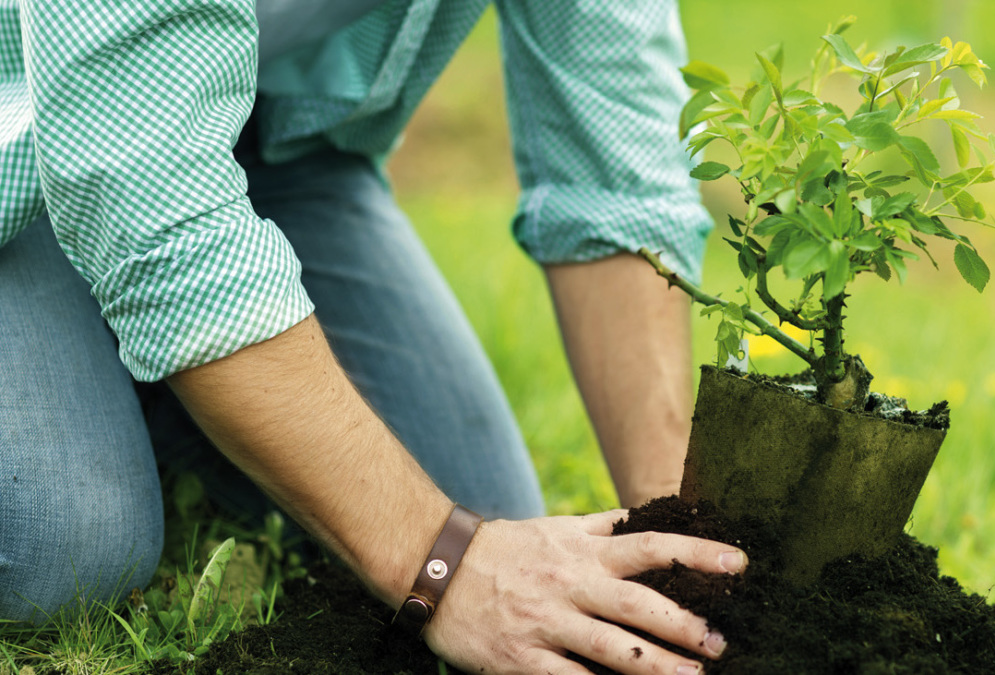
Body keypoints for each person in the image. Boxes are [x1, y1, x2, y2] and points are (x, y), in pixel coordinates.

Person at [0, 1, 747, 673]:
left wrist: (676, 549)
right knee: (64, 546)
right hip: (31, 122)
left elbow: (613, 156)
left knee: (484, 511)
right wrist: (445, 567)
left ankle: (155, 371)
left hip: (278, 146)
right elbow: (148, 185)